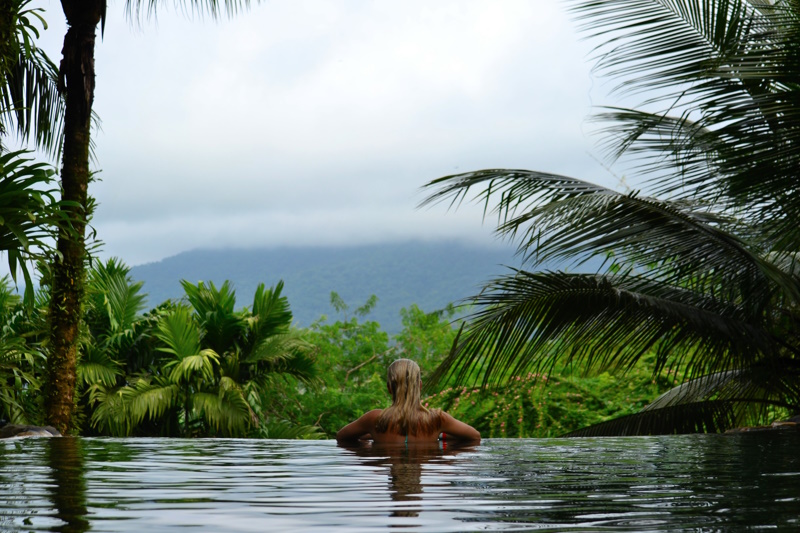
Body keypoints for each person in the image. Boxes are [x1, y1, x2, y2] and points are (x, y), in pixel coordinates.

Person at [336, 358, 481, 444]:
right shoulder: (436, 420)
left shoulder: (374, 420)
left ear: (389, 388)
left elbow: (341, 437)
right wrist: (440, 435)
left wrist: (370, 436)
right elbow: (475, 437)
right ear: (420, 386)